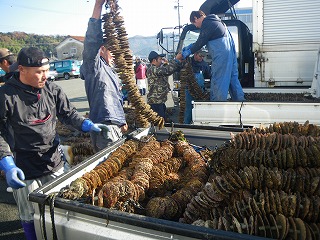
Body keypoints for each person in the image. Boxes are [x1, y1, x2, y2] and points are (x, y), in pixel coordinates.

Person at [0, 46, 106, 239]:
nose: (44, 76)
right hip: (25, 169)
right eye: (39, 72)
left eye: (46, 71)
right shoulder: (6, 96)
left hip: (54, 162)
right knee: (29, 214)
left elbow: (68, 114)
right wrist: (7, 162)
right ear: (22, 69)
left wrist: (86, 124)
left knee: (60, 208)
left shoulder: (52, 89)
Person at [80, 0, 128, 153]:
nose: (114, 55)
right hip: (104, 125)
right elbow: (91, 41)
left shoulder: (110, 70)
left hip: (115, 125)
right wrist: (98, 6)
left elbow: (115, 97)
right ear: (102, 49)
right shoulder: (94, 66)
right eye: (111, 51)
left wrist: (122, 120)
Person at [177, 10, 245, 102]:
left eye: (194, 23)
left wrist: (185, 53)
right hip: (230, 55)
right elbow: (201, 41)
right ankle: (240, 102)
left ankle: (217, 106)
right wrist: (188, 48)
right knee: (233, 79)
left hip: (221, 56)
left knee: (218, 80)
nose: (196, 26)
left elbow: (200, 42)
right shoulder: (218, 23)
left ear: (196, 18)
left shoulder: (207, 23)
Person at [147, 51, 184, 120]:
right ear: (154, 60)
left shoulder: (156, 69)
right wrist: (175, 60)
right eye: (160, 59)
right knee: (159, 122)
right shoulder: (153, 69)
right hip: (155, 102)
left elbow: (167, 70)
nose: (161, 61)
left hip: (159, 101)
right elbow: (166, 71)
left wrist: (168, 63)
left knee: (162, 119)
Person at [184, 51, 211, 124]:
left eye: (203, 56)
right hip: (189, 90)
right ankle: (186, 125)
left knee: (200, 109)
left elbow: (209, 75)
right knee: (188, 109)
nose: (202, 58)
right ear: (195, 54)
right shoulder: (188, 62)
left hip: (200, 91)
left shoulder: (204, 65)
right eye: (200, 56)